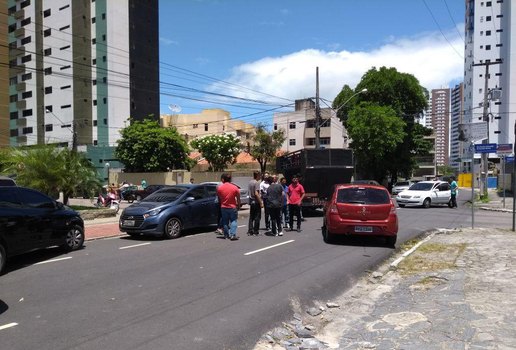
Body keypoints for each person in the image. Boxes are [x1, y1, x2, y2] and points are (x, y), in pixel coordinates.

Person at [217, 173, 241, 240]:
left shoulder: (220, 188)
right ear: (230, 179)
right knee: (233, 220)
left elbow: (220, 197)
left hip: (223, 207)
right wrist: (238, 205)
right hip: (232, 206)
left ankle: (226, 235)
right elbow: (238, 199)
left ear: (223, 179)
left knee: (225, 221)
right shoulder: (235, 187)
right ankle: (233, 235)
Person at [247, 171, 263, 235]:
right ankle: (256, 231)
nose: (260, 176)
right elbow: (256, 193)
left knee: (251, 217)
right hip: (256, 202)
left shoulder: (250, 182)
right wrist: (261, 202)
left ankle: (250, 230)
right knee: (257, 217)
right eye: (260, 175)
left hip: (251, 202)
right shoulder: (256, 183)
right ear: (257, 175)